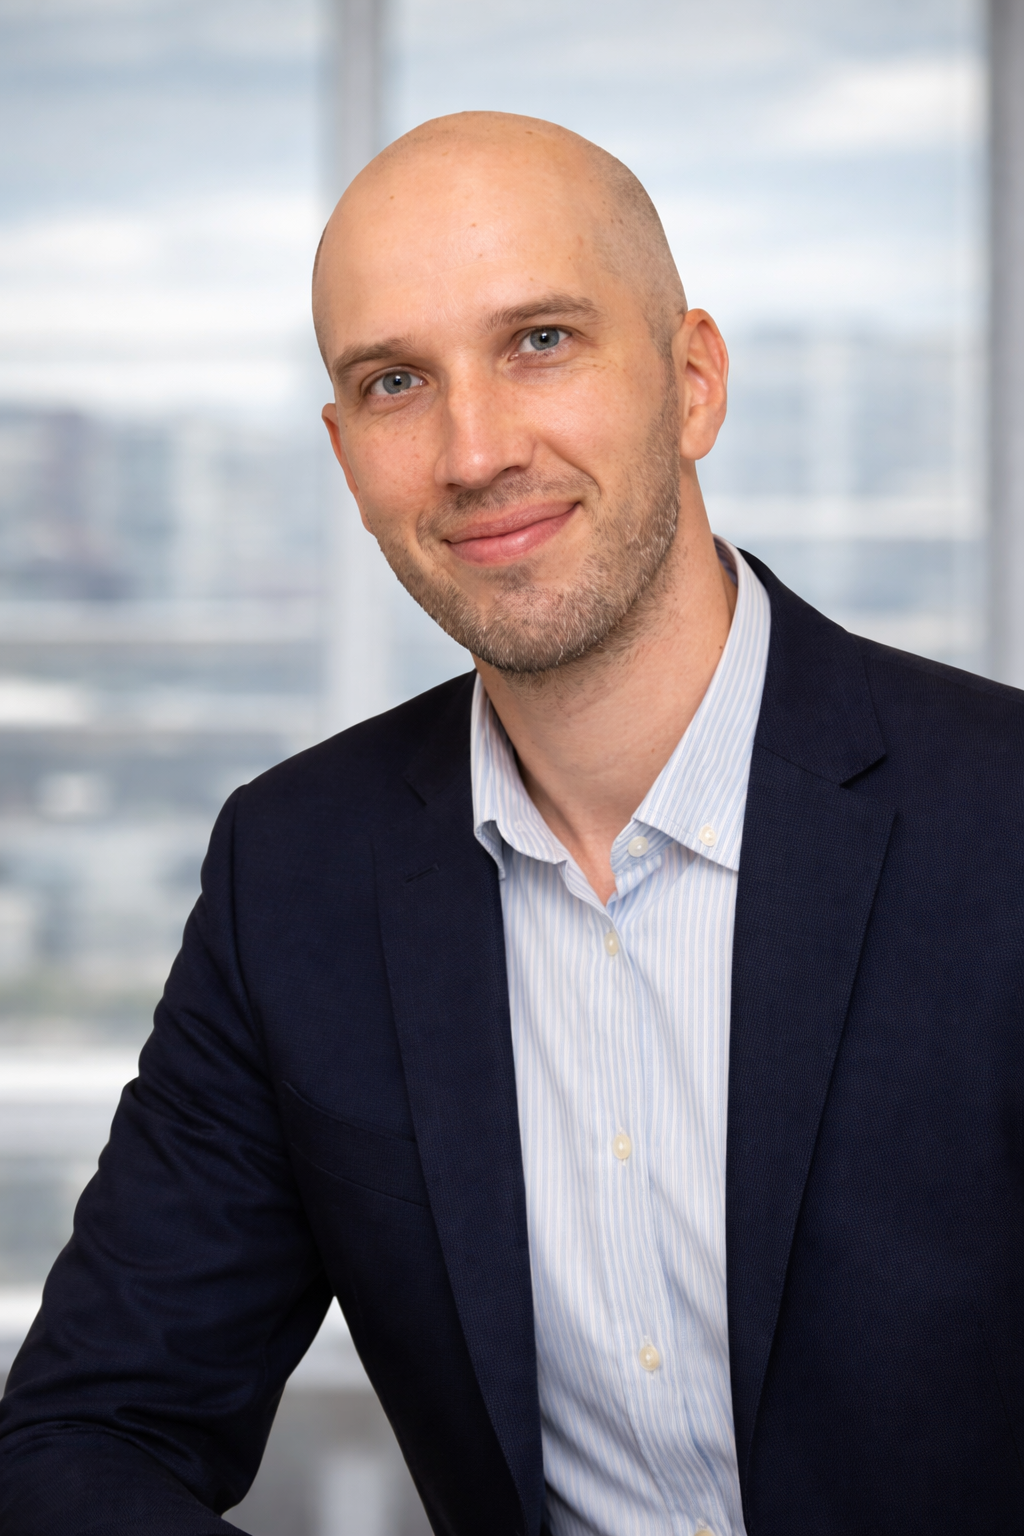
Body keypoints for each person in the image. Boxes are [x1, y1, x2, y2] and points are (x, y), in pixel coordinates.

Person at [0, 112, 1020, 1536]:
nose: (474, 452)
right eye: (396, 381)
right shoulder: (295, 874)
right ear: (345, 452)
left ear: (693, 383)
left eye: (541, 341)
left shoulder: (1001, 820)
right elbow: (89, 1432)